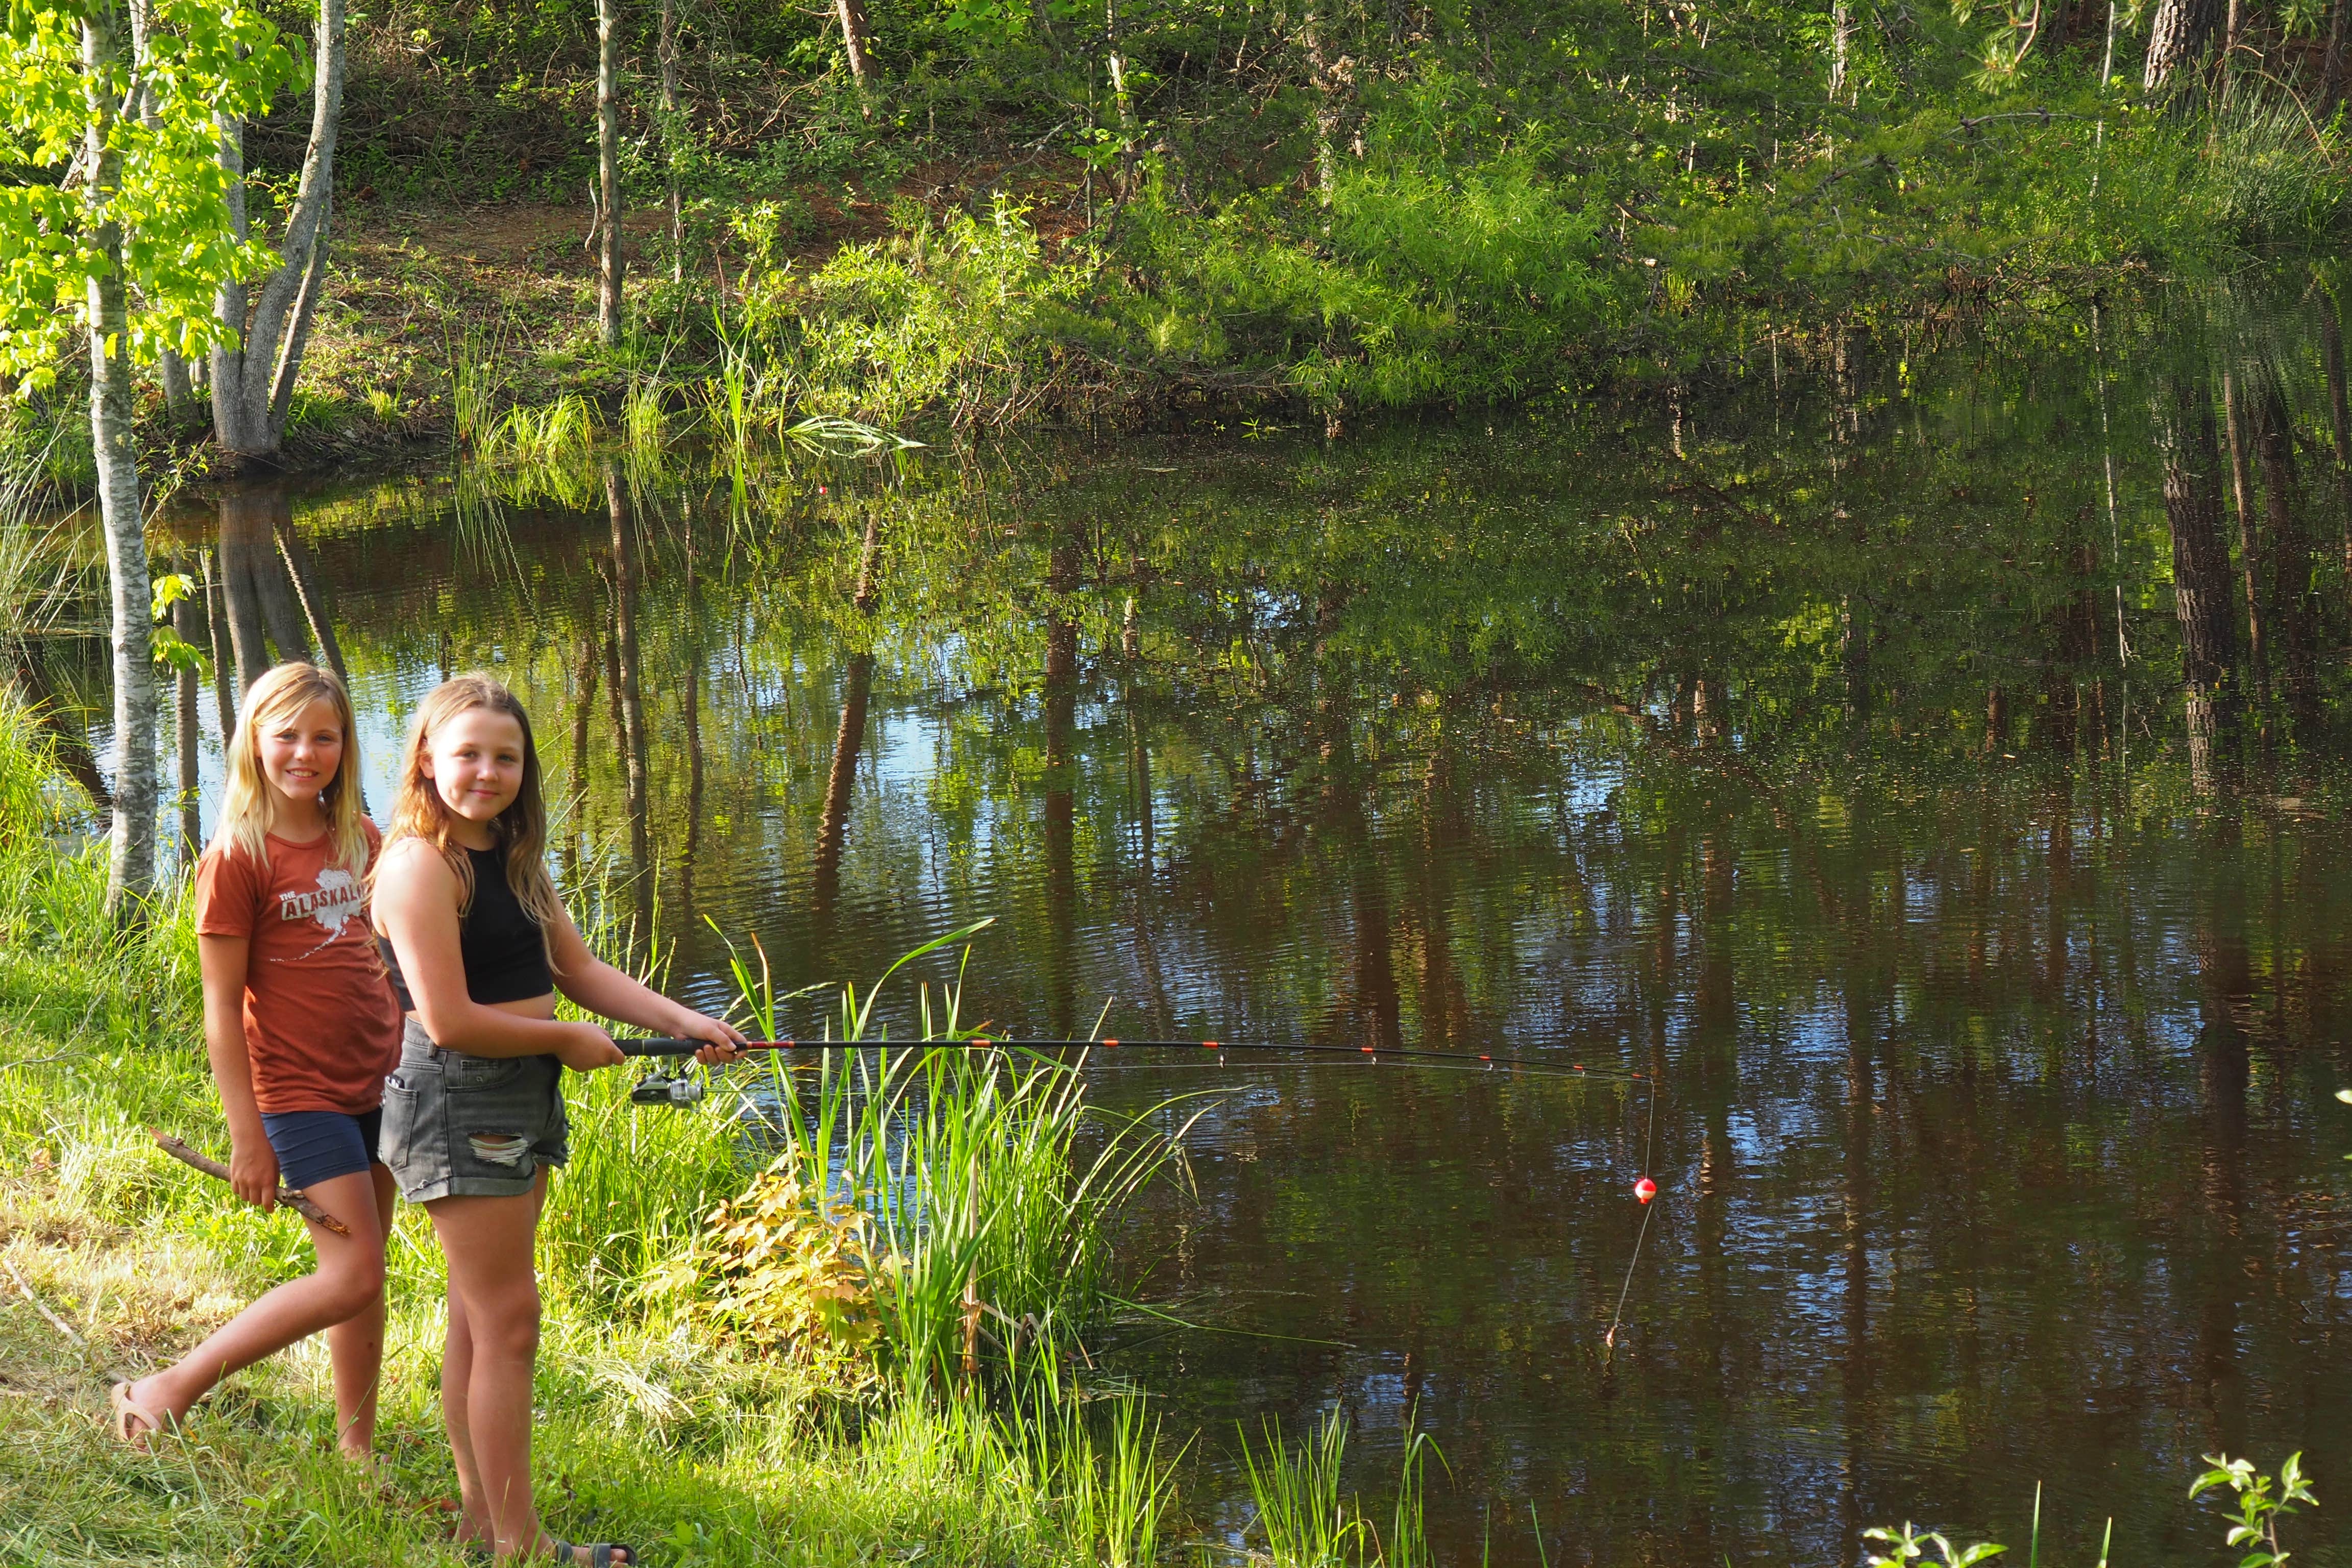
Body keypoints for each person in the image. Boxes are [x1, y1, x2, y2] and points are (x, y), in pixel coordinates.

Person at [371, 674, 741, 1567]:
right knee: (511, 1323)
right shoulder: (421, 864)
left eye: (506, 757)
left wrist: (683, 1021)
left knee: (479, 1317)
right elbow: (448, 1016)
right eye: (467, 754)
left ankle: (480, 1522)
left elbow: (576, 968)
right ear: (427, 756)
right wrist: (569, 1041)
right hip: (461, 1093)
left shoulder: (510, 854)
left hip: (518, 1091)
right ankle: (523, 1546)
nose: (487, 772)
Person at [112, 663, 403, 1460]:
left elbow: (384, 962)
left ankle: (357, 1449)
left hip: (381, 1081)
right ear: (253, 743)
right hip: (301, 1094)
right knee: (351, 1275)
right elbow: (220, 1009)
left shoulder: (360, 838)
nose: (305, 753)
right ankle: (170, 1387)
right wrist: (249, 1135)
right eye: (287, 736)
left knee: (365, 1270)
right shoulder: (237, 856)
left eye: (325, 736)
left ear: (345, 745)